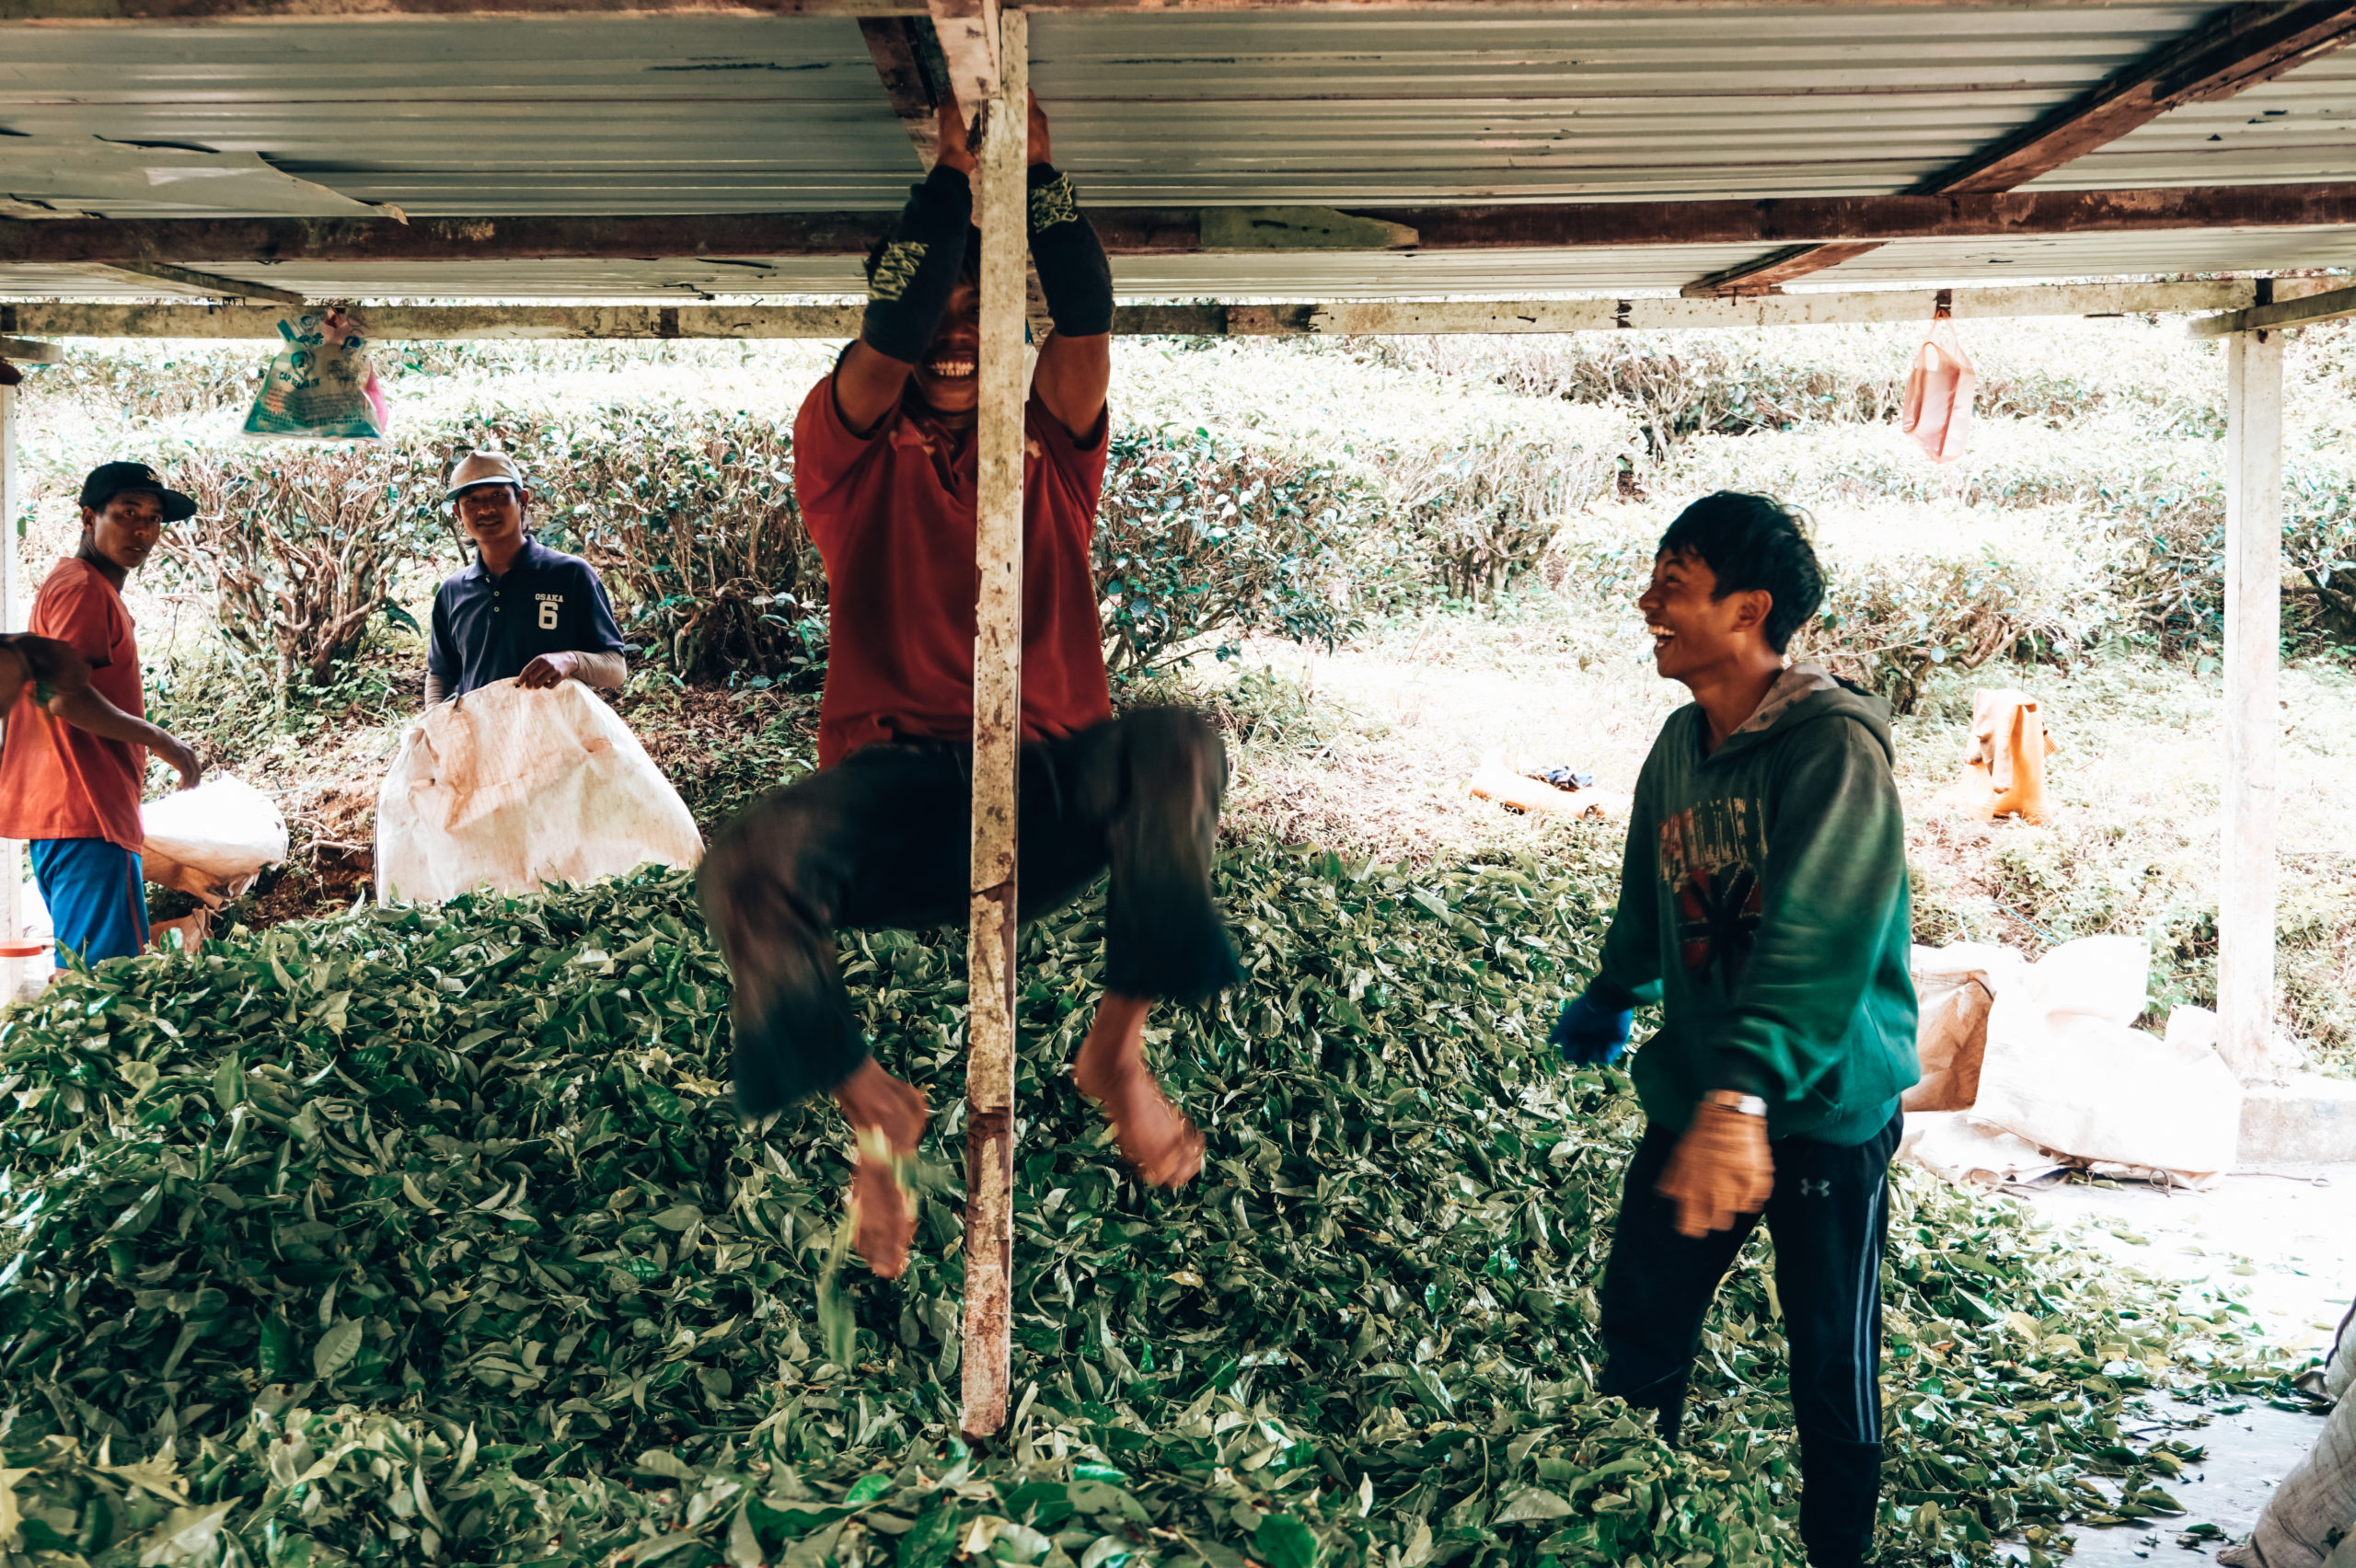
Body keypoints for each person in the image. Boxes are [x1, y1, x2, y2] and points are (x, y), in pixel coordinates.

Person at [699, 91, 1241, 1279]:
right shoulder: (846, 448)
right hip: (904, 796)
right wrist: (952, 183)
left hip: (1053, 786)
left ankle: (1118, 1053)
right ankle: (871, 1110)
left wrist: (1039, 186)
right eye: (937, 313)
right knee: (748, 866)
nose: (955, 333)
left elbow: (1086, 309)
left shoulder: (1054, 437)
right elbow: (895, 320)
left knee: (1177, 743)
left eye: (980, 315)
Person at [1550, 491, 1920, 1568]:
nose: (1647, 603)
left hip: (1818, 1109)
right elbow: (1649, 898)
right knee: (1640, 1326)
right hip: (1704, 1092)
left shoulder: (1834, 750)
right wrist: (1615, 989)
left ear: (1748, 608)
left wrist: (1745, 1095)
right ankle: (1623, 1530)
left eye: (1674, 583)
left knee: (1828, 1359)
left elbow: (1820, 941)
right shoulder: (1679, 743)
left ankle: (1836, 1553)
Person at [0, 463, 205, 965]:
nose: (142, 530)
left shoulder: (80, 584)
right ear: (89, 517)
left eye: (154, 518)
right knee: (108, 986)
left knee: (88, 978)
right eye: (127, 513)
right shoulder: (84, 589)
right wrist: (163, 741)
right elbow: (68, 697)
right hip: (85, 809)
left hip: (70, 813)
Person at [422, 451, 628, 708]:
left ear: (523, 501)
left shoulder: (571, 574)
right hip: (482, 740)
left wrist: (570, 660)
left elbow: (615, 668)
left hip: (556, 737)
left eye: (498, 495)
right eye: (471, 500)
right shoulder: (452, 591)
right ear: (458, 513)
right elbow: (441, 673)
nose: (485, 509)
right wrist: (434, 722)